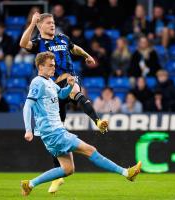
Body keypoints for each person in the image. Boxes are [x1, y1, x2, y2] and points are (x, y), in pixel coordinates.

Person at [20, 52, 141, 196]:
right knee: (90, 150)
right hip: (53, 131)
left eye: (54, 65)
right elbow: (27, 106)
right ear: (40, 66)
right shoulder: (37, 82)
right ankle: (127, 173)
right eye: (50, 65)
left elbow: (62, 95)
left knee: (68, 169)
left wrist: (70, 86)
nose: (54, 68)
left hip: (53, 132)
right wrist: (28, 129)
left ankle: (30, 184)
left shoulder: (49, 82)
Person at [19, 12, 109, 193]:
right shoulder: (39, 43)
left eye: (53, 22)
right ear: (40, 26)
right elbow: (23, 44)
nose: (52, 25)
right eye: (48, 23)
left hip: (68, 80)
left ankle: (98, 121)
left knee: (77, 92)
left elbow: (74, 48)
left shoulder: (63, 38)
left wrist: (87, 55)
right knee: (57, 129)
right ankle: (59, 175)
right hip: (53, 86)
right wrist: (32, 23)